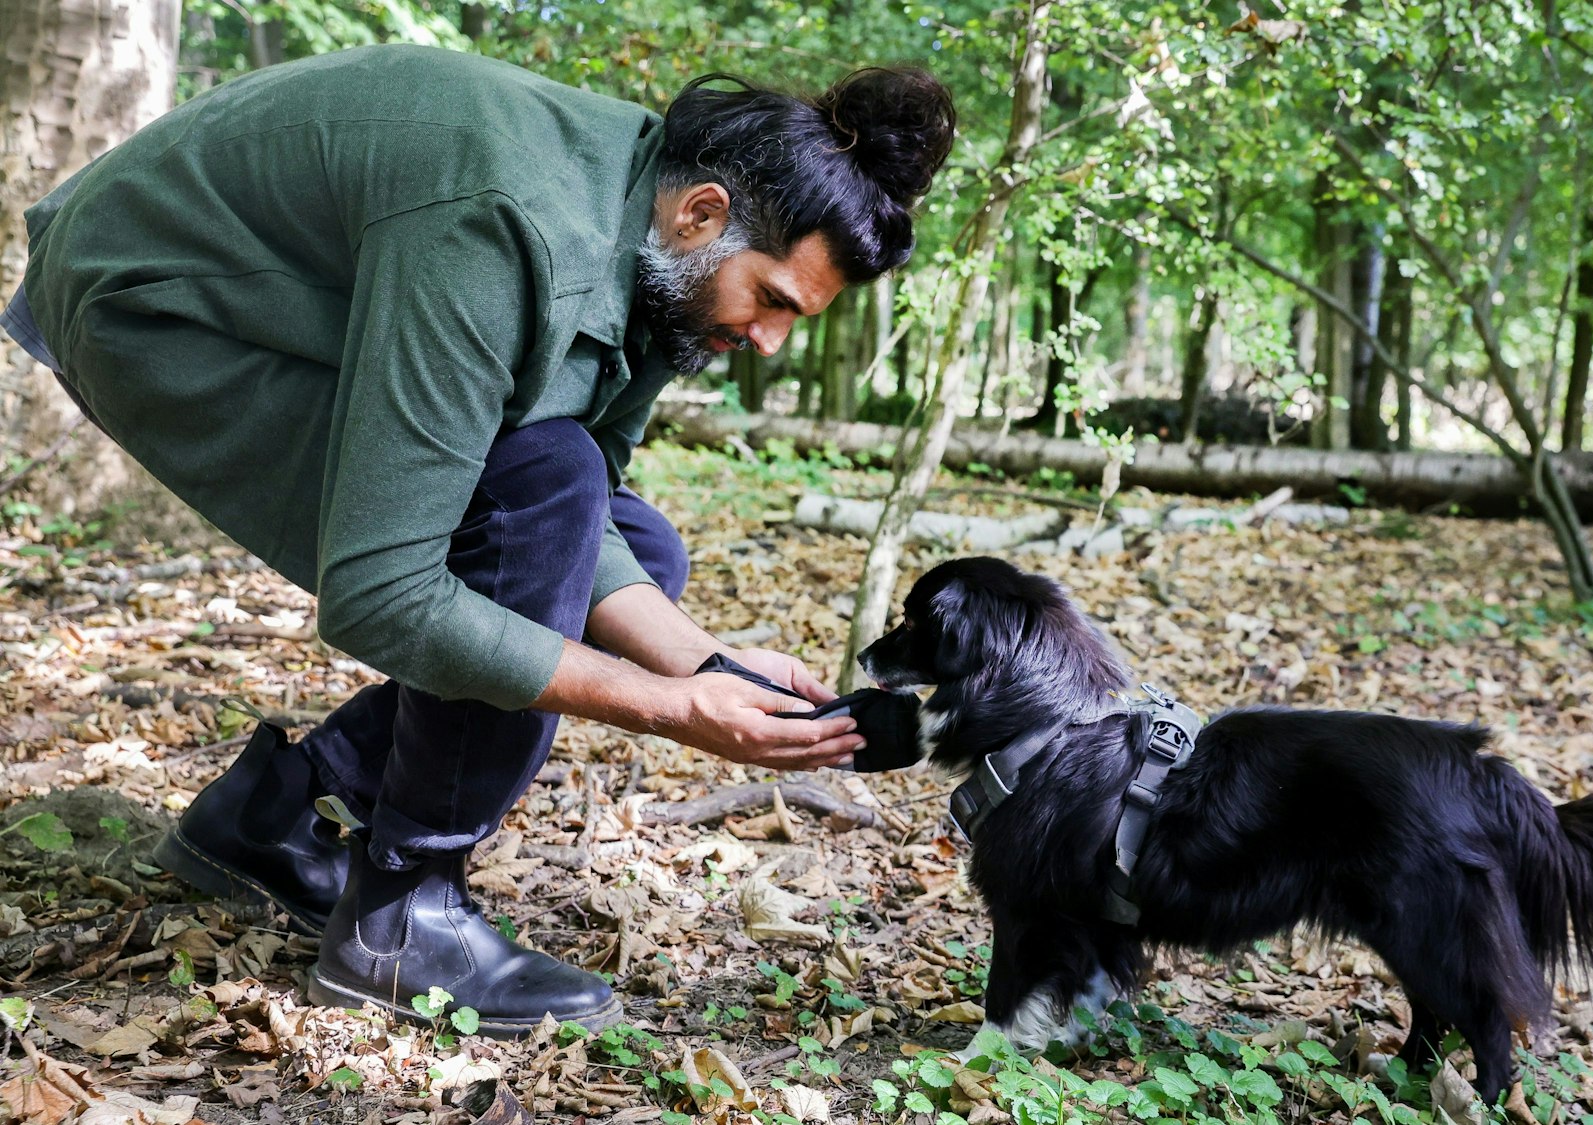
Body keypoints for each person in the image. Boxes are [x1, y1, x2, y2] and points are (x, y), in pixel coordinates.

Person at [1, 44, 955, 1035]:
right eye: (771, 302)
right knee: (547, 495)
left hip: (301, 313)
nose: (768, 341)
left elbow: (582, 508)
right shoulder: (503, 225)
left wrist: (705, 662)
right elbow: (384, 592)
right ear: (702, 214)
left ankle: (285, 817)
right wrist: (670, 708)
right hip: (161, 304)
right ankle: (399, 918)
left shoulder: (665, 254)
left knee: (634, 554)